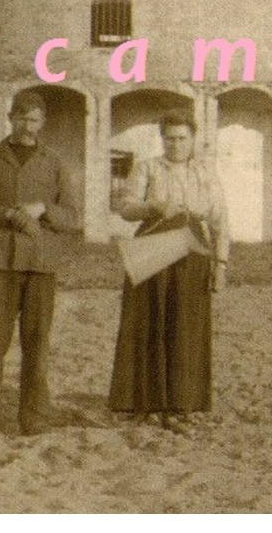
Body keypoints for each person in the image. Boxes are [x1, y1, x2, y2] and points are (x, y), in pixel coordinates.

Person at [0, 90, 78, 436]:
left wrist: (44, 210)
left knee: (37, 345)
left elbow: (71, 217)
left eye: (35, 119)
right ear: (10, 118)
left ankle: (35, 419)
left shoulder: (54, 163)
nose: (28, 125)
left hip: (40, 265)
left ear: (43, 122)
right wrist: (6, 214)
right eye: (22, 117)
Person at [108, 111, 229, 436]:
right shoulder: (148, 167)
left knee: (185, 327)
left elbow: (219, 221)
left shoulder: (205, 172)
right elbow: (124, 207)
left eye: (182, 138)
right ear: (163, 139)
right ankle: (146, 403)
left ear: (193, 140)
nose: (176, 144)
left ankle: (181, 404)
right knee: (149, 323)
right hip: (153, 247)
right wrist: (153, 207)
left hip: (192, 252)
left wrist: (221, 265)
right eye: (170, 138)